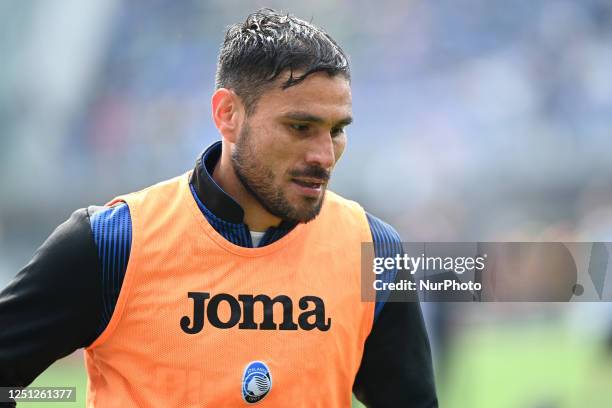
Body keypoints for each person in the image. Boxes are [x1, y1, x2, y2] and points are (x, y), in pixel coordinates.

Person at [0, 8, 437, 407]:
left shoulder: (373, 250)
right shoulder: (113, 242)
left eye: (337, 130)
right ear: (228, 114)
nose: (324, 154)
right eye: (300, 127)